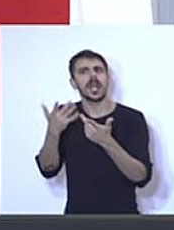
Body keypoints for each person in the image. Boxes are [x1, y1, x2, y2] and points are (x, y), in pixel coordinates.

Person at [35, 49, 152, 214]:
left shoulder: (132, 118)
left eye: (98, 70)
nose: (93, 77)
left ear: (108, 77)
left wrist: (106, 141)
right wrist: (53, 132)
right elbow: (48, 169)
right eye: (83, 71)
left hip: (123, 219)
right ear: (73, 82)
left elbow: (141, 177)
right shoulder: (65, 116)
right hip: (77, 220)